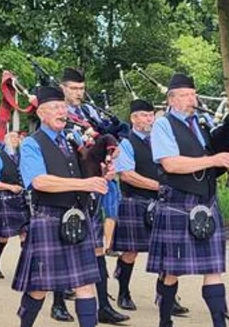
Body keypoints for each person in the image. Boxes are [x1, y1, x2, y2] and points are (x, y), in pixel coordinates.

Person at [150, 74, 229, 327]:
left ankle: (219, 323)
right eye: (186, 95)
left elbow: (210, 168)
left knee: (213, 269)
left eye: (194, 94)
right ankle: (165, 320)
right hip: (177, 202)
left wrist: (228, 156)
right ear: (172, 99)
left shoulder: (202, 123)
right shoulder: (163, 125)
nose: (193, 99)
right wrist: (214, 160)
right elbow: (170, 163)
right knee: (172, 270)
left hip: (207, 201)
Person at [13, 85, 108, 327]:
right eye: (55, 107)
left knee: (85, 285)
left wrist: (101, 173)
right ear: (41, 113)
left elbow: (86, 171)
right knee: (39, 288)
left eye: (63, 107)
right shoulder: (32, 144)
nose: (61, 111)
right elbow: (39, 182)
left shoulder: (73, 138)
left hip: (77, 217)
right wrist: (84, 183)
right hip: (48, 218)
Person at [59, 67, 128, 324]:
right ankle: (57, 302)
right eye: (74, 88)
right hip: (67, 183)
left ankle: (103, 306)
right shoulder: (55, 112)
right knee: (64, 243)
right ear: (63, 88)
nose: (78, 93)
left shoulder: (88, 113)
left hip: (92, 186)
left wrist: (108, 161)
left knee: (97, 247)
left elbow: (100, 143)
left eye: (81, 88)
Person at [113, 99, 191, 315]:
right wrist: (161, 186)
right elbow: (127, 175)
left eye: (150, 115)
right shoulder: (126, 142)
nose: (148, 119)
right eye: (143, 115)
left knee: (168, 252)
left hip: (164, 203)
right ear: (133, 118)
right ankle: (123, 292)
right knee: (131, 251)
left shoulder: (163, 140)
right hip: (135, 201)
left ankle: (166, 297)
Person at [0, 132, 30, 280]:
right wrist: (10, 187)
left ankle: (26, 269)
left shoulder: (23, 157)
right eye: (11, 137)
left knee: (26, 234)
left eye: (17, 137)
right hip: (5, 199)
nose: (15, 140)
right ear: (5, 140)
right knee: (3, 236)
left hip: (23, 200)